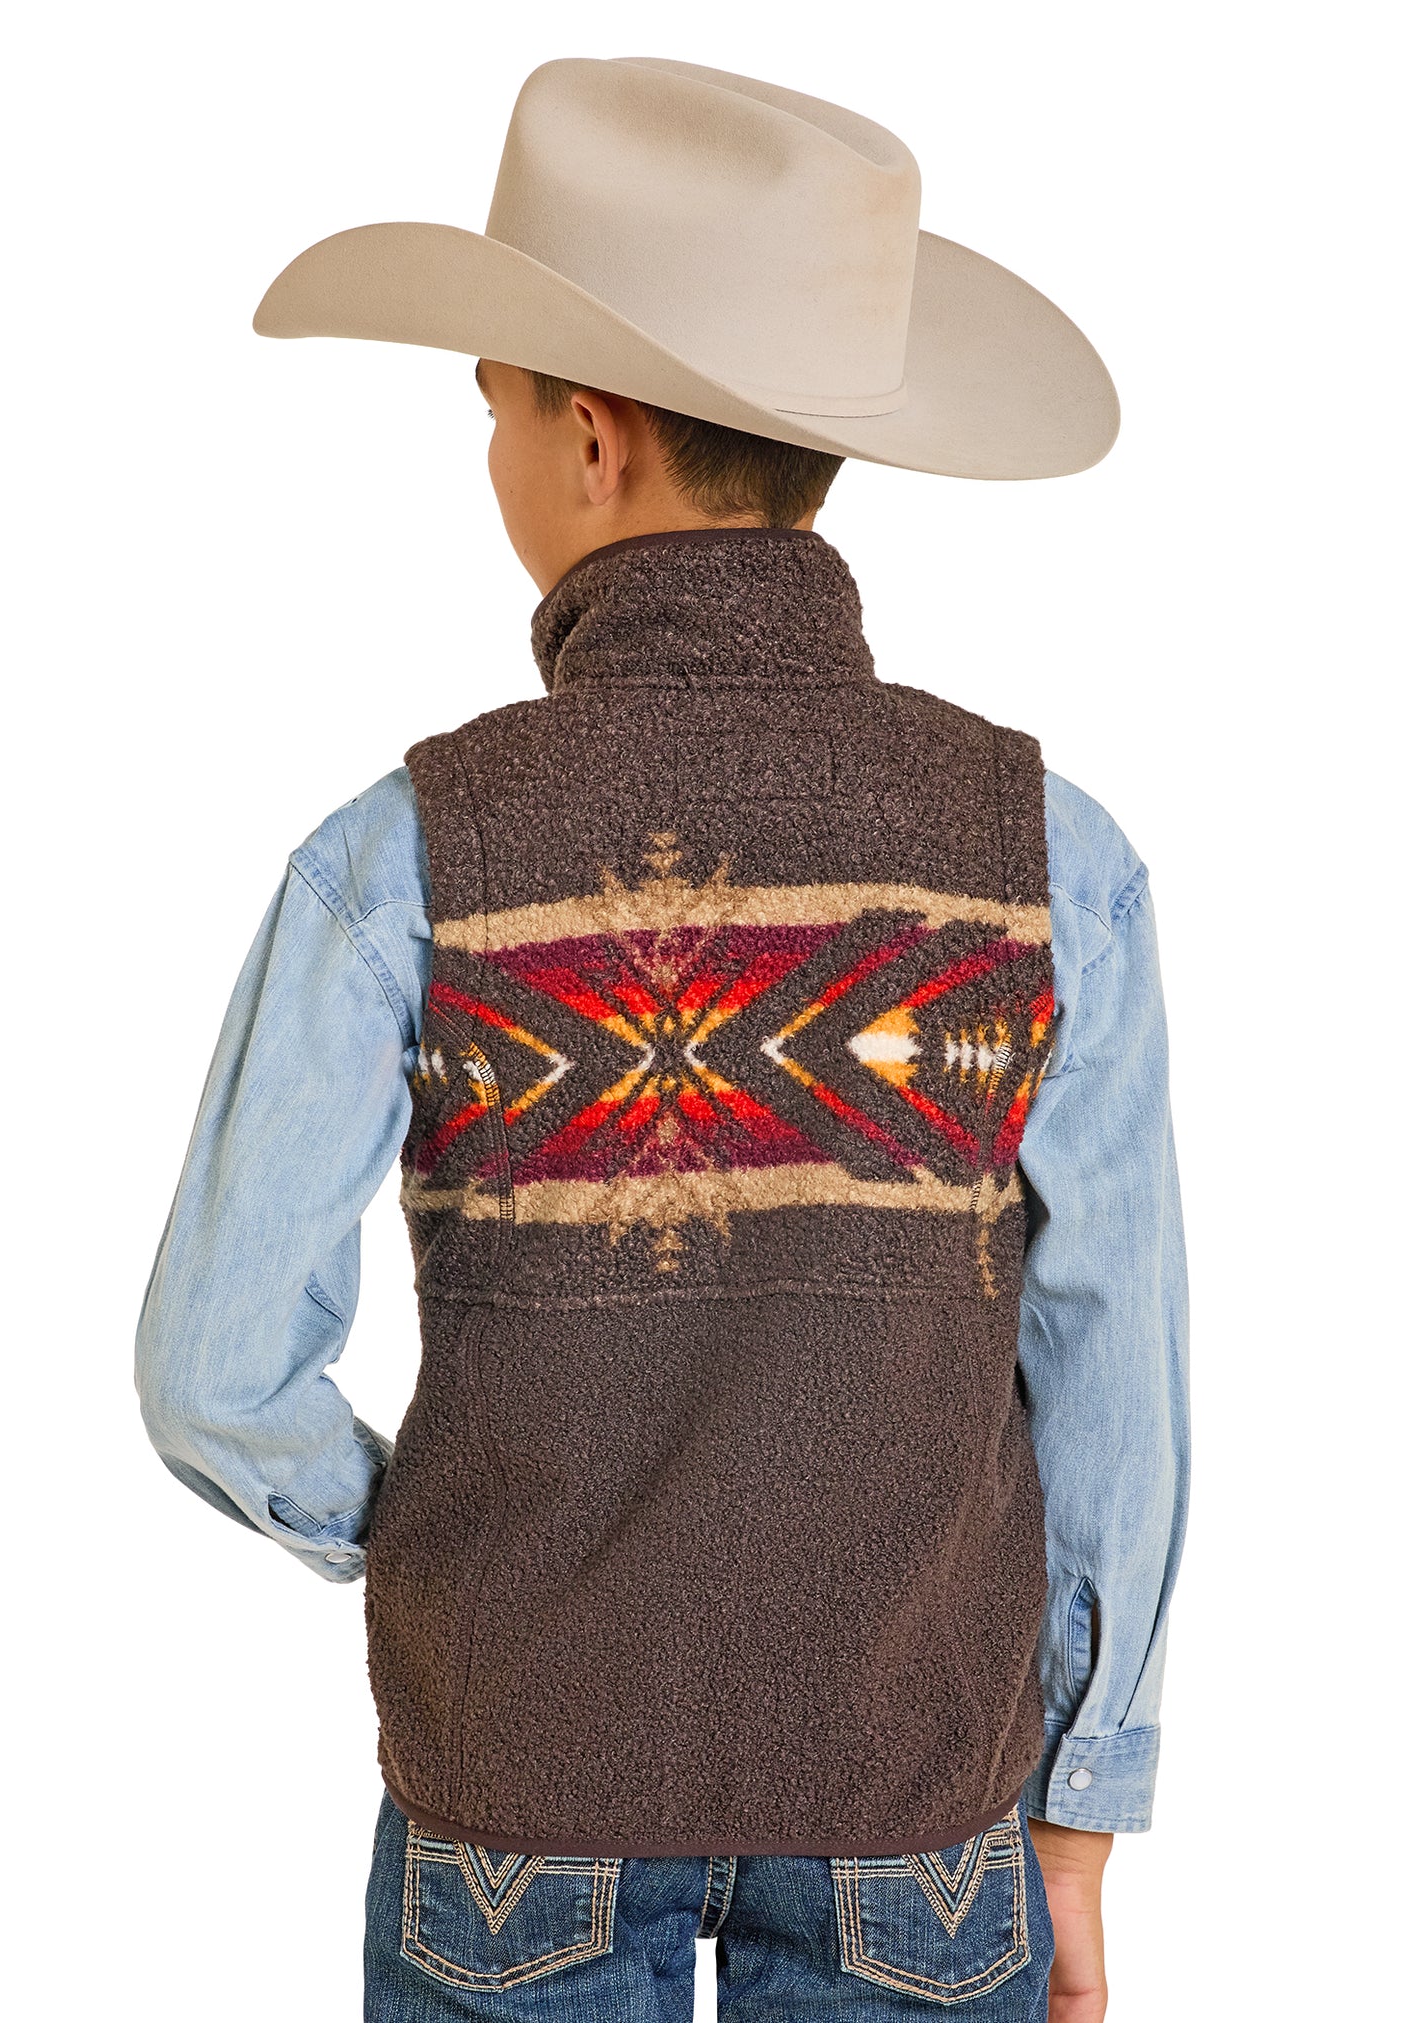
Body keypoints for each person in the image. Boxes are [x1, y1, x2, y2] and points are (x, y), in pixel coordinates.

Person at [135, 56, 1188, 2023]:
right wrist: (1082, 1808)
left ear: (593, 444)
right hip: (918, 1812)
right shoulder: (1049, 860)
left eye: (498, 410)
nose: (494, 455)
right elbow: (1113, 1366)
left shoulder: (404, 860)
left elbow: (212, 1371)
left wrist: (443, 1538)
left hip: (512, 1796)